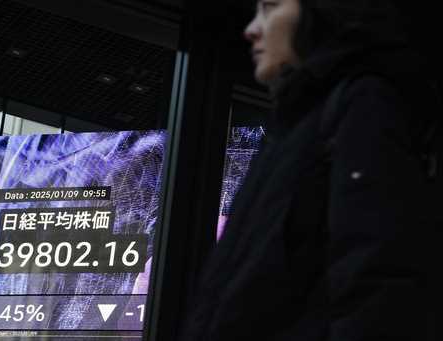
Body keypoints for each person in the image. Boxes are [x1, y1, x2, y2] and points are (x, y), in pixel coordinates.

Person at [178, 0, 441, 340]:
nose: (252, 28)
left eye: (270, 8)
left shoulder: (362, 106)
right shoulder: (293, 124)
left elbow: (376, 276)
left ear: (324, 12)